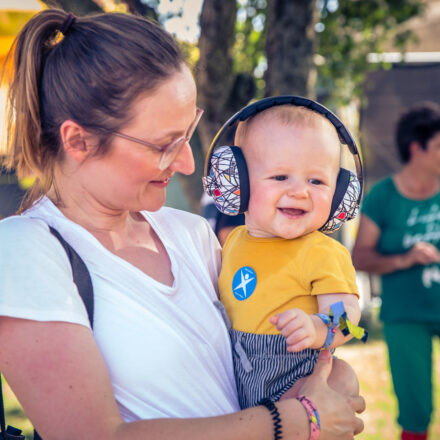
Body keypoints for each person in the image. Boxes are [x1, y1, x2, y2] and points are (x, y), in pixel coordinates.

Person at [0, 9, 365, 440]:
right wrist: (296, 420)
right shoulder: (23, 251)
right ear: (79, 142)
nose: (189, 162)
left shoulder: (190, 234)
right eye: (164, 145)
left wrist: (331, 366)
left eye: (188, 134)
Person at [205, 102, 367, 410]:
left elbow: (349, 318)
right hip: (234, 380)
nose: (300, 191)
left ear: (339, 194)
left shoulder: (322, 252)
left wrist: (318, 328)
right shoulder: (234, 242)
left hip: (295, 379)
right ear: (238, 184)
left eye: (316, 181)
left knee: (339, 378)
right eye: (280, 177)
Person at [352, 103, 440, 440]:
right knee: (415, 413)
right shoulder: (383, 197)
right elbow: (360, 257)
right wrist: (405, 258)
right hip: (405, 315)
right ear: (416, 149)